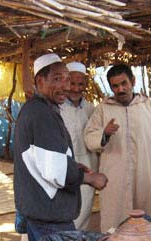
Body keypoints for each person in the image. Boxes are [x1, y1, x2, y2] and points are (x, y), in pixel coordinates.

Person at [13, 53, 108, 241]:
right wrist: (89, 177)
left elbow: (43, 158)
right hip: (48, 212)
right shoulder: (41, 114)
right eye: (57, 79)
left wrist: (74, 166)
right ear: (40, 80)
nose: (65, 86)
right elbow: (53, 169)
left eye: (66, 79)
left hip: (40, 208)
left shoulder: (42, 109)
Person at [84, 64, 151, 232]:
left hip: (144, 176)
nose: (121, 89)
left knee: (147, 225)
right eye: (115, 86)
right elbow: (89, 137)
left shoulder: (148, 106)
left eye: (124, 83)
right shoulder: (103, 109)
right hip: (114, 179)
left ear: (132, 81)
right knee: (115, 227)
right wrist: (104, 134)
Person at [60, 62, 97, 230]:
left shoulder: (91, 109)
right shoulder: (56, 107)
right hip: (61, 167)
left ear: (86, 85)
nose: (75, 88)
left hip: (87, 167)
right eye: (72, 83)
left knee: (82, 212)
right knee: (61, 211)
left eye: (80, 84)